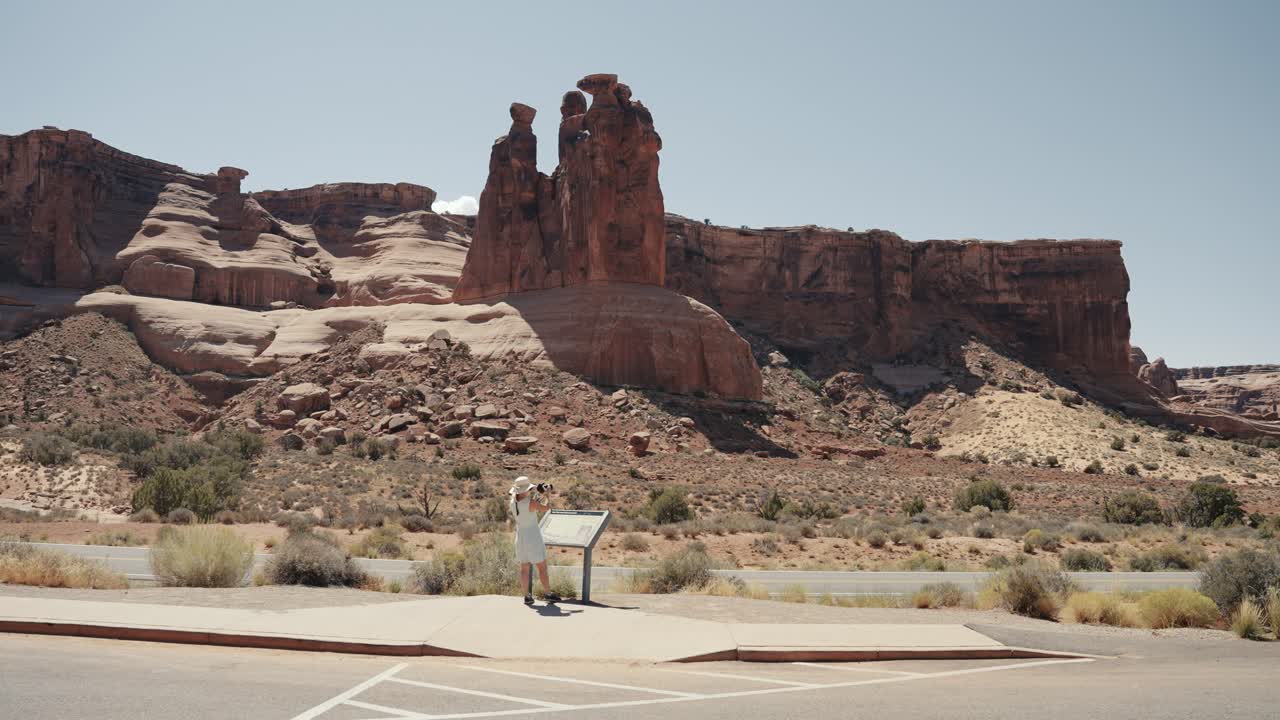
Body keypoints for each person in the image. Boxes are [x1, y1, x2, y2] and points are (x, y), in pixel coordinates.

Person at [508, 476, 561, 605]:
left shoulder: (513, 503)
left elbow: (528, 502)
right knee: (542, 567)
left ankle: (527, 596)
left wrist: (539, 494)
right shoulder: (531, 503)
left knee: (524, 568)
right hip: (533, 537)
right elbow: (546, 508)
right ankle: (548, 593)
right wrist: (547, 494)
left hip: (521, 537)